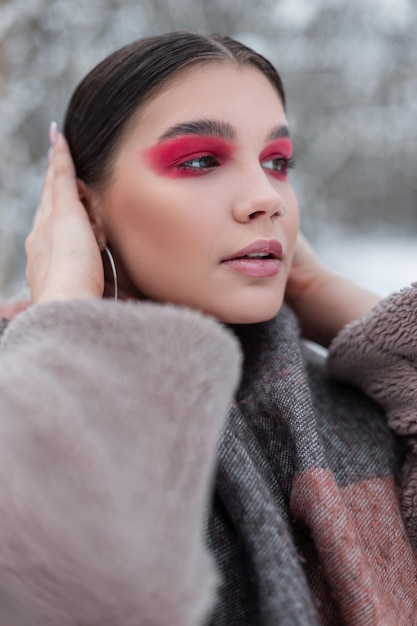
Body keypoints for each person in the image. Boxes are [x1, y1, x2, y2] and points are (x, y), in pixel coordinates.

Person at [0, 31, 416, 625]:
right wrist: (67, 310)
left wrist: (330, 297)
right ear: (85, 211)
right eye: (199, 161)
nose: (265, 197)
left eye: (277, 162)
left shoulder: (362, 405)